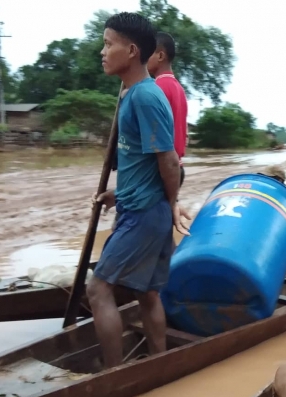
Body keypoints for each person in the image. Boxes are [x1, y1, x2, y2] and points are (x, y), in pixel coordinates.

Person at [87, 12, 190, 369]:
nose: (102, 51)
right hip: (142, 207)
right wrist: (119, 194)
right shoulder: (133, 95)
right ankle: (157, 364)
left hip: (145, 215)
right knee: (147, 292)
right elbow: (144, 165)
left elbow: (170, 161)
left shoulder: (145, 97)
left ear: (131, 50)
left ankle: (114, 375)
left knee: (98, 290)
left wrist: (171, 204)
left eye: (108, 43)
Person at [147, 32, 189, 187]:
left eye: (148, 53)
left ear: (160, 56)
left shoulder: (156, 88)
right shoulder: (179, 88)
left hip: (162, 170)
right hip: (178, 167)